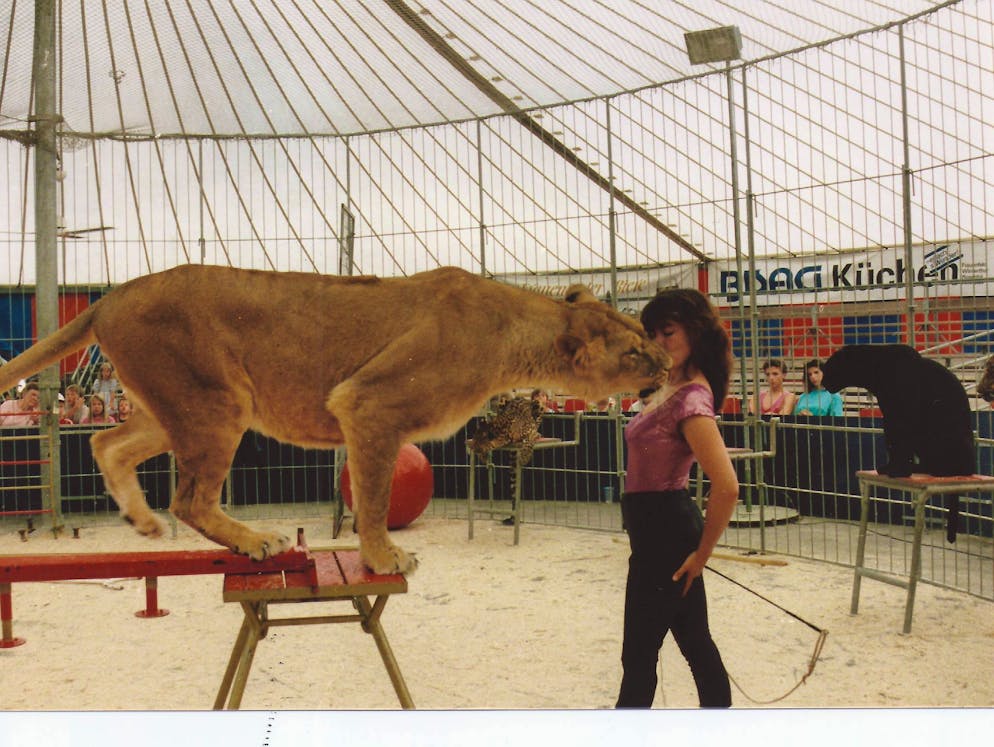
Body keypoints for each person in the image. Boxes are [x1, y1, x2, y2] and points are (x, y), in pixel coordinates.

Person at [617, 288, 739, 709]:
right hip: (657, 534)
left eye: (667, 332)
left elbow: (726, 486)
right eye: (652, 334)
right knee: (695, 644)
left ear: (696, 333)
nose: (658, 342)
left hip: (666, 537)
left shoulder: (692, 399)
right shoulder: (671, 384)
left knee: (638, 656)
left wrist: (702, 553)